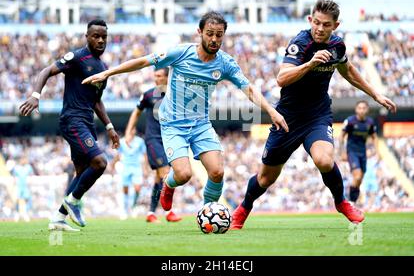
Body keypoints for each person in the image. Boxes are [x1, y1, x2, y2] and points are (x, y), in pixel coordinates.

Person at [82, 11, 288, 215]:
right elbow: (144, 61)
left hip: (201, 124)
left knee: (217, 172)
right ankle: (168, 185)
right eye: (210, 33)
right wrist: (108, 72)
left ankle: (208, 213)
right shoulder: (181, 53)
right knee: (183, 174)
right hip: (173, 124)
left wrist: (272, 111)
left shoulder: (225, 63)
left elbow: (249, 89)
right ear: (199, 31)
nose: (214, 39)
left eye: (219, 35)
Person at [230, 0, 397, 229]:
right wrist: (309, 64)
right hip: (287, 118)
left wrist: (375, 95)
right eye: (316, 22)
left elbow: (347, 70)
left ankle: (341, 202)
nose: (319, 28)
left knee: (324, 160)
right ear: (310, 20)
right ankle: (244, 208)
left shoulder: (338, 46)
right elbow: (282, 78)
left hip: (317, 115)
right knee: (266, 178)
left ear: (335, 26)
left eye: (326, 24)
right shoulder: (300, 43)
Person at [19, 19, 120, 231]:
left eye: (104, 37)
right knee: (100, 163)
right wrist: (36, 95)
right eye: (96, 36)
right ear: (87, 37)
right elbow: (46, 71)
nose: (100, 40)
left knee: (82, 170)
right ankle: (73, 202)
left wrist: (110, 127)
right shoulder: (76, 57)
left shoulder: (103, 68)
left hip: (87, 122)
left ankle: (58, 219)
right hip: (72, 120)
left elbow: (96, 101)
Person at [124, 68, 182, 223]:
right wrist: (129, 131)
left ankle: (151, 212)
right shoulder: (149, 94)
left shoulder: (176, 95)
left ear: (167, 77)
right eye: (155, 76)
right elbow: (136, 112)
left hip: (169, 140)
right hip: (153, 140)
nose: (156, 79)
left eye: (159, 76)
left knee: (158, 178)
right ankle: (169, 211)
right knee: (166, 173)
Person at [339, 100, 380, 204]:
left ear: (367, 110)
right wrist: (342, 152)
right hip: (352, 152)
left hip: (363, 153)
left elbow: (374, 137)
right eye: (359, 108)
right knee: (357, 177)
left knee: (359, 180)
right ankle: (350, 203)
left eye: (364, 108)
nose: (361, 110)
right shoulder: (350, 121)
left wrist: (377, 152)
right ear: (356, 109)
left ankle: (353, 202)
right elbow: (341, 136)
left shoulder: (370, 122)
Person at [110, 127, 147, 220]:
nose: (132, 131)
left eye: (133, 129)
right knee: (125, 190)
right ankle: (125, 210)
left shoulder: (140, 141)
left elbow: (144, 154)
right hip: (125, 167)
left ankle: (133, 206)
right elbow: (118, 155)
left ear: (135, 131)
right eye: (130, 129)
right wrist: (113, 164)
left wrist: (145, 168)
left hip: (136, 167)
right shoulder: (122, 141)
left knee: (138, 188)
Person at [11, 155, 33, 222]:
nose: (24, 161)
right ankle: (17, 213)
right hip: (19, 186)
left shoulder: (28, 167)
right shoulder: (16, 168)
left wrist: (30, 183)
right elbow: (14, 176)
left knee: (27, 199)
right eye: (23, 159)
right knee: (17, 199)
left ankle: (25, 214)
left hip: (25, 186)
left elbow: (31, 175)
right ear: (20, 160)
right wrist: (14, 184)